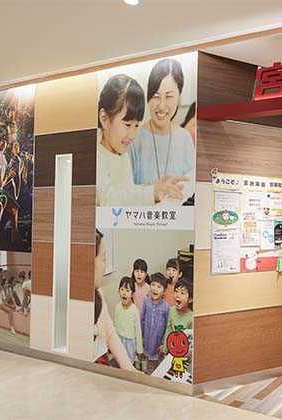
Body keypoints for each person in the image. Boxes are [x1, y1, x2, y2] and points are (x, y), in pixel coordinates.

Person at [96, 73, 187, 207]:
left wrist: (155, 188)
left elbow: (126, 193)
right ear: (104, 118)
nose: (133, 135)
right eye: (127, 125)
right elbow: (108, 199)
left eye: (137, 125)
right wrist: (151, 193)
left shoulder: (120, 151)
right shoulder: (95, 155)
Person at [129, 59, 195, 186]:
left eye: (169, 96)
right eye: (156, 96)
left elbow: (190, 186)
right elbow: (127, 190)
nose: (161, 106)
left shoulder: (185, 138)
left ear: (179, 97)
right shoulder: (133, 137)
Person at [93, 229, 136, 370]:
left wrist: (129, 369)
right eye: (103, 259)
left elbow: (110, 332)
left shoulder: (98, 293)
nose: (105, 265)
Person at [141, 272, 170, 375]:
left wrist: (163, 343)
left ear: (164, 291)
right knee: (148, 363)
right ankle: (149, 376)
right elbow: (142, 320)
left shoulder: (166, 307)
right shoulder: (146, 302)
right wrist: (142, 336)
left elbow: (167, 327)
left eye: (159, 287)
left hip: (158, 343)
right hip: (147, 339)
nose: (155, 289)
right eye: (153, 285)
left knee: (158, 364)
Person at [113, 277, 143, 365]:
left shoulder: (134, 310)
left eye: (127, 290)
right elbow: (116, 324)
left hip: (130, 342)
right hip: (119, 338)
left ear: (132, 294)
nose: (124, 293)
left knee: (129, 362)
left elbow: (138, 331)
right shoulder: (117, 307)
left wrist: (139, 350)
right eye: (122, 289)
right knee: (119, 359)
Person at [163, 277, 193, 357]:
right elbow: (168, 330)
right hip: (171, 351)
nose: (177, 295)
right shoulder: (172, 310)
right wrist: (165, 350)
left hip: (183, 354)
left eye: (182, 293)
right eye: (176, 291)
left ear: (190, 299)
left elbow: (191, 342)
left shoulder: (191, 318)